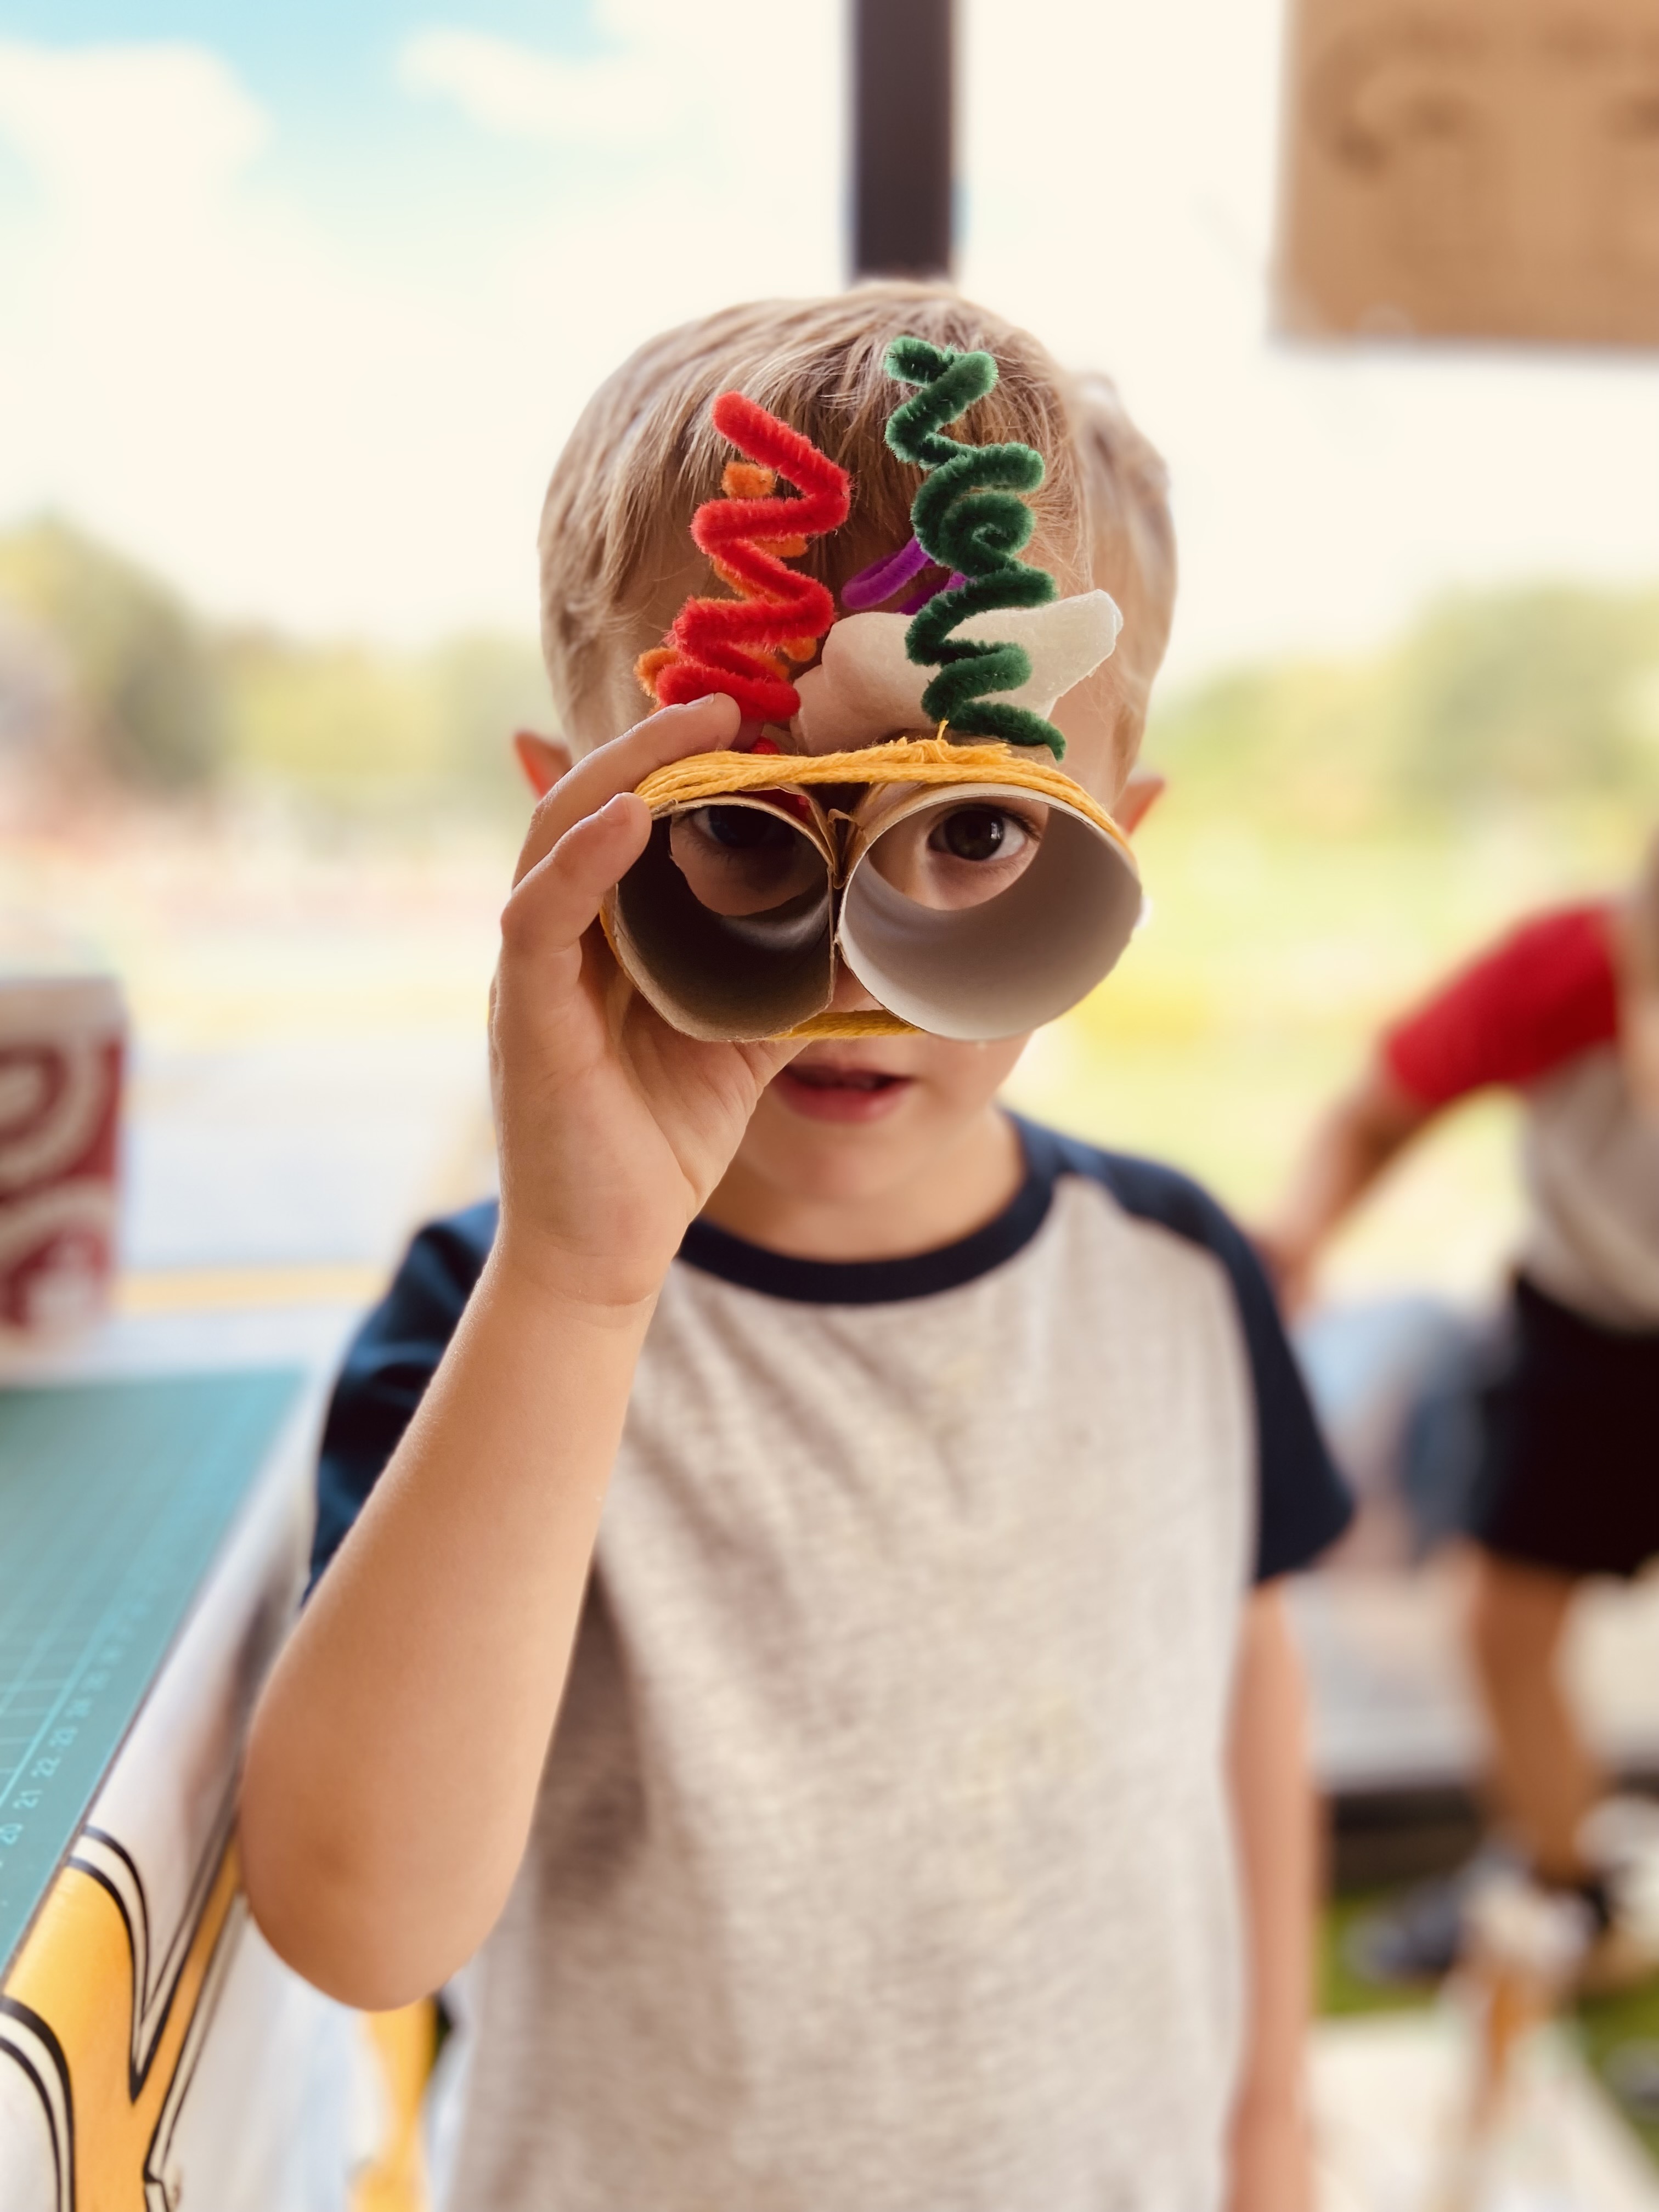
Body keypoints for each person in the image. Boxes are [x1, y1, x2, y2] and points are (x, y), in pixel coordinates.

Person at [239, 286, 1352, 2211]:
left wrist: (1266, 2126)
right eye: (748, 835)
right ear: (569, 830)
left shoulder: (1176, 1282)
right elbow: (359, 1925)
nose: (857, 966)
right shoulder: (506, 1319)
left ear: (1117, 837)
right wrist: (583, 1274)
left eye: (981, 835)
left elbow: (1234, 1687)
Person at [1258, 837, 1659, 1982]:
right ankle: (1565, 1888)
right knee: (1506, 1624)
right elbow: (1376, 1116)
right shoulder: (1558, 974)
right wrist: (1298, 1237)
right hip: (1584, 1321)